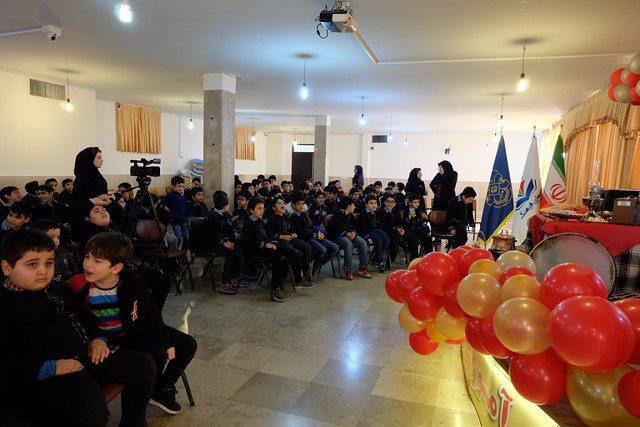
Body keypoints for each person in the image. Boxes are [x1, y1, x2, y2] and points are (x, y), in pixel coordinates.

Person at [0, 229, 155, 427]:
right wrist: (52, 368)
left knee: (144, 366)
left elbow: (85, 318)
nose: (43, 271)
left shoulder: (60, 289)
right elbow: (5, 359)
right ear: (7, 268)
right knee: (92, 414)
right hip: (54, 372)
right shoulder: (5, 304)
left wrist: (98, 339)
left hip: (88, 355)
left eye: (48, 263)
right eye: (32, 264)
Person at [69, 232, 197, 415]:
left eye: (97, 261)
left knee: (188, 345)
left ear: (116, 268)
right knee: (158, 355)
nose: (87, 264)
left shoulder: (132, 282)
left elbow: (151, 314)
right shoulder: (78, 285)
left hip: (133, 330)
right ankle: (146, 394)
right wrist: (97, 337)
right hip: (109, 339)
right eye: (87, 257)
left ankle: (163, 389)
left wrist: (166, 342)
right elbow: (79, 319)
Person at [241, 198, 288, 302]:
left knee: (286, 250)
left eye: (263, 209)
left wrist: (273, 242)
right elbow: (249, 242)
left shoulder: (259, 221)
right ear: (251, 210)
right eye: (259, 209)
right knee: (277, 257)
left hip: (264, 247)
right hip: (254, 250)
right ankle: (275, 287)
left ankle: (282, 277)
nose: (262, 211)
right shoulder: (248, 224)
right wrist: (266, 245)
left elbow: (268, 234)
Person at [203, 194, 248, 294]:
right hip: (208, 244)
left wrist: (233, 232)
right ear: (225, 206)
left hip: (216, 241)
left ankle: (234, 278)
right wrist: (224, 243)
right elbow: (211, 236)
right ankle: (225, 284)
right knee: (230, 253)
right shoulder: (213, 217)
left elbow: (228, 226)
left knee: (238, 250)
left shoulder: (221, 214)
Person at [289, 192, 339, 278]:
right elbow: (301, 233)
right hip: (306, 239)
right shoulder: (292, 217)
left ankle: (317, 264)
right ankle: (308, 264)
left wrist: (318, 234)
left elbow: (311, 226)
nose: (301, 206)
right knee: (322, 250)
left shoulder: (303, 214)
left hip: (313, 235)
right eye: (298, 204)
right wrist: (315, 235)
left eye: (303, 204)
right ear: (293, 205)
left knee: (335, 248)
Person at [266, 198, 313, 287]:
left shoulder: (287, 217)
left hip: (290, 239)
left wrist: (294, 234)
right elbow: (269, 234)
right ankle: (298, 278)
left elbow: (292, 230)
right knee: (290, 250)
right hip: (279, 241)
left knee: (307, 247)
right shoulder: (271, 219)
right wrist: (281, 236)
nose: (282, 205)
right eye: (279, 203)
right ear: (274, 208)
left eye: (283, 203)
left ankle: (305, 271)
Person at [326, 198, 371, 280]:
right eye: (353, 205)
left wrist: (353, 232)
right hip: (338, 236)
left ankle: (363, 267)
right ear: (348, 206)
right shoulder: (337, 215)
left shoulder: (351, 215)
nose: (354, 207)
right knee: (348, 243)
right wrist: (346, 233)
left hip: (350, 234)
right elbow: (334, 229)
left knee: (362, 242)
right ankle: (348, 268)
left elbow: (354, 226)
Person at [29, 219, 79, 284]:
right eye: (51, 237)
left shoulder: (63, 253)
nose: (56, 241)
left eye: (58, 237)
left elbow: (75, 272)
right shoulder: (30, 258)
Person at [377, 193, 420, 264]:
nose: (390, 204)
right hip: (387, 231)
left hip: (397, 230)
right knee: (395, 238)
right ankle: (390, 260)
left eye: (392, 202)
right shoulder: (381, 212)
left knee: (414, 238)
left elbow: (400, 222)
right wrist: (395, 228)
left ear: (395, 203)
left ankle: (413, 261)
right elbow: (383, 225)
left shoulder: (395, 211)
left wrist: (400, 228)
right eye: (388, 201)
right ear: (384, 202)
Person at [357, 195, 390, 273]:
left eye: (375, 203)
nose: (374, 205)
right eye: (371, 203)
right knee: (378, 240)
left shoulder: (377, 212)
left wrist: (382, 231)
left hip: (376, 230)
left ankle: (376, 258)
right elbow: (362, 228)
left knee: (386, 239)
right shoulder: (363, 214)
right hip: (368, 232)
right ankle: (380, 262)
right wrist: (367, 237)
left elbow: (381, 224)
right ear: (366, 205)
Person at [160, 176, 190, 250]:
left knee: (187, 237)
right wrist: (169, 211)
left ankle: (183, 251)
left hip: (183, 221)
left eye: (182, 186)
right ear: (173, 186)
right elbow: (161, 205)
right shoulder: (170, 195)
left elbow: (186, 208)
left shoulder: (184, 197)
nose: (181, 188)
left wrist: (187, 216)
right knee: (178, 237)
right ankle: (175, 250)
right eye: (179, 186)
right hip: (175, 221)